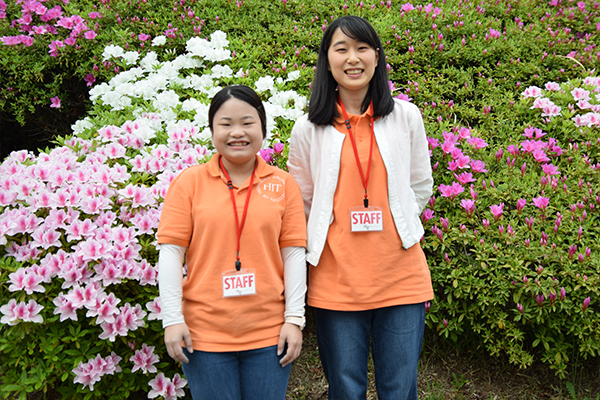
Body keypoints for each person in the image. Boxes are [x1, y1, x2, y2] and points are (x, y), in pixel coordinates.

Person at [287, 15, 434, 400]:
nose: (353, 58)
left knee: (399, 390)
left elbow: (420, 184)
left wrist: (398, 220)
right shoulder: (308, 129)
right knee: (345, 390)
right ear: (327, 60)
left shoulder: (405, 117)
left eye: (362, 48)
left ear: (376, 57)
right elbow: (301, 202)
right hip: (336, 279)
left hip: (400, 276)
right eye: (341, 49)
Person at [157, 85, 307, 400]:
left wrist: (295, 319)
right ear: (212, 130)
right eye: (225, 124)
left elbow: (293, 255)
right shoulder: (189, 183)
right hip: (204, 337)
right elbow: (171, 254)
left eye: (247, 122)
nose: (237, 132)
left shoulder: (283, 185)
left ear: (263, 129)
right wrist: (172, 319)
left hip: (268, 336)